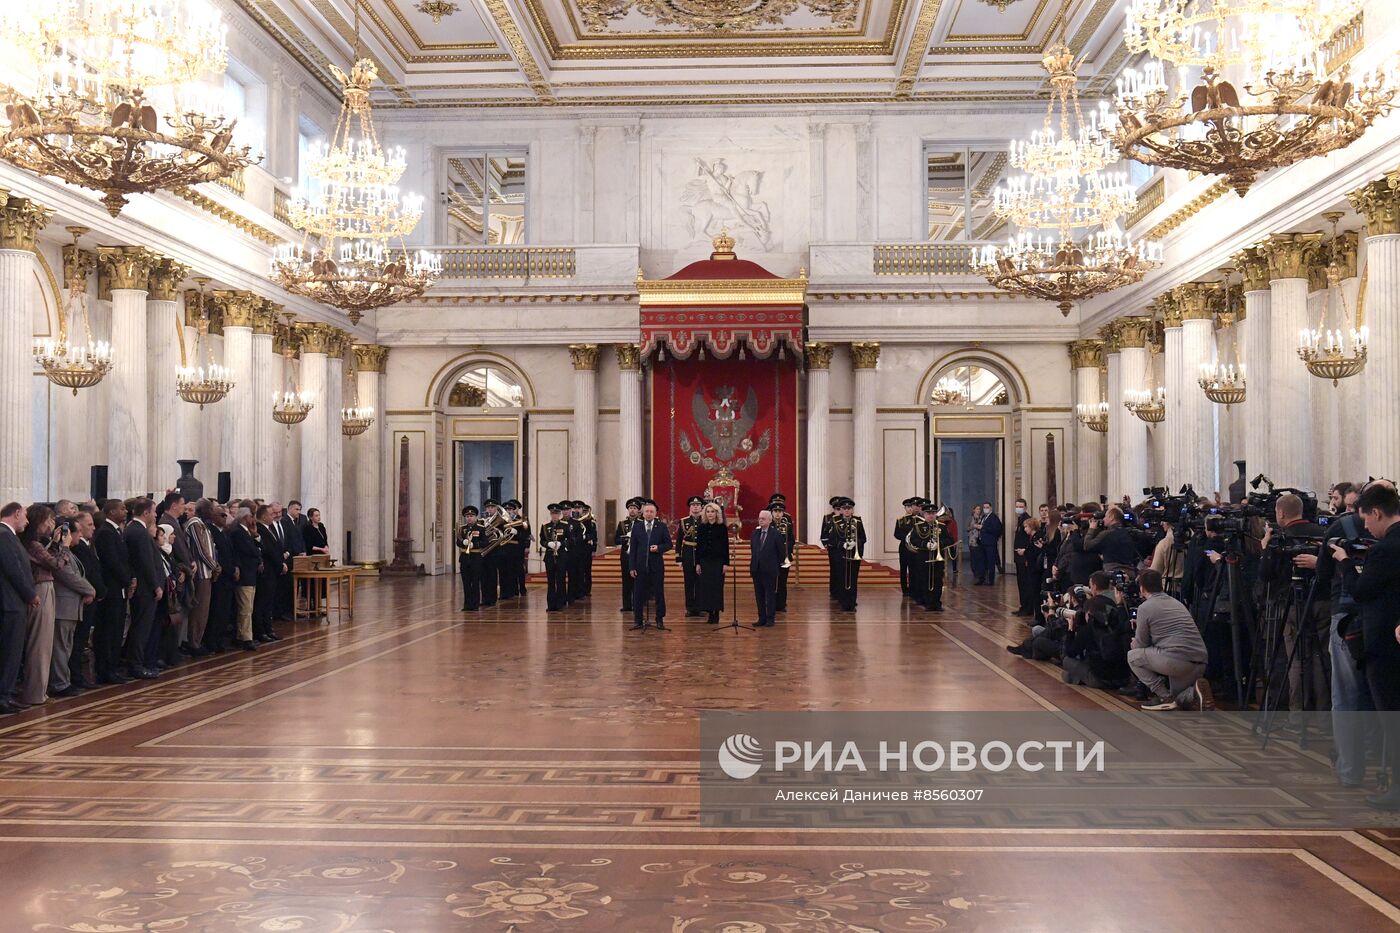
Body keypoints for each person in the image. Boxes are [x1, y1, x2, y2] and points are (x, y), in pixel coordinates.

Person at [1331, 482, 1400, 809]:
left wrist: (1345, 562)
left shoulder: (1386, 549)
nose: (1367, 528)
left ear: (1376, 512)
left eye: (1367, 520)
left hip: (1384, 644)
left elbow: (1361, 591)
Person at [1311, 483, 1372, 787]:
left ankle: (1350, 770)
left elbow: (1322, 575)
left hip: (1346, 615)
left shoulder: (1340, 528)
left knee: (1346, 697)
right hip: (1384, 620)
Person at [1128, 569, 1211, 711]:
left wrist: (1134, 641)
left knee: (1133, 656)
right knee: (1180, 699)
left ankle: (1164, 696)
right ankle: (1194, 691)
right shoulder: (1177, 603)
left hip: (1176, 661)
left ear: (1141, 588)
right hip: (1200, 660)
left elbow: (1141, 644)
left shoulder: (1145, 607)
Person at [1061, 571, 1132, 690]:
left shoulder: (1089, 628)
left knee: (1068, 663)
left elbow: (1070, 652)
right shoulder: (1117, 623)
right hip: (1124, 677)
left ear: (1089, 613)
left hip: (1101, 679)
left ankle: (1076, 677)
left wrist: (1070, 629)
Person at [19, 505, 61, 706]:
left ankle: (39, 691)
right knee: (40, 643)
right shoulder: (33, 545)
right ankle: (35, 693)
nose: (51, 524)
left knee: (44, 643)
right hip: (40, 589)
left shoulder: (35, 544)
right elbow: (56, 564)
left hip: (45, 588)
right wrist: (64, 546)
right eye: (49, 520)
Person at [49, 515, 95, 698]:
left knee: (66, 646)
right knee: (60, 647)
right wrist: (90, 590)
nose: (79, 535)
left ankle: (64, 680)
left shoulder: (69, 552)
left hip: (72, 606)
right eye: (76, 533)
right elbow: (67, 574)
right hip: (63, 606)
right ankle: (60, 683)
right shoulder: (58, 551)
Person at [0, 503, 36, 714]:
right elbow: (14, 570)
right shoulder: (4, 536)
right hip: (10, 604)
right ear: (15, 514)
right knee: (10, 651)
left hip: (13, 603)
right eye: (25, 516)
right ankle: (3, 694)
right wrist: (30, 594)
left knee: (13, 651)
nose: (27, 521)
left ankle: (7, 692)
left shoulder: (8, 536)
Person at [91, 499, 132, 684]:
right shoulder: (106, 533)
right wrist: (127, 579)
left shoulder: (116, 531)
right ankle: (105, 670)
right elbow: (112, 562)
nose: (125, 511)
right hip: (112, 589)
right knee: (108, 631)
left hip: (120, 588)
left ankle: (113, 667)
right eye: (122, 509)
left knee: (116, 631)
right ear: (111, 512)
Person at [122, 499, 163, 680]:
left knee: (141, 627)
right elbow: (146, 563)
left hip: (144, 588)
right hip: (145, 589)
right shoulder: (138, 532)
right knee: (141, 628)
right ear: (145, 513)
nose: (155, 516)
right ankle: (136, 665)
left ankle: (136, 662)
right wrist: (156, 585)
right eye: (153, 512)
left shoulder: (134, 529)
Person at [67, 510, 104, 691]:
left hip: (92, 598)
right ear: (78, 527)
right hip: (84, 600)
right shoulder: (78, 548)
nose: (93, 527)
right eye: (89, 525)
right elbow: (86, 574)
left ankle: (78, 676)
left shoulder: (87, 545)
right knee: (77, 641)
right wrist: (95, 590)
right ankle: (74, 677)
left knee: (81, 641)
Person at [628, 499, 671, 631]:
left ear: (655, 513)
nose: (649, 514)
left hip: (656, 566)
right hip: (640, 567)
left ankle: (659, 619)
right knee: (638, 594)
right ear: (643, 513)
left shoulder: (661, 527)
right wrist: (632, 567)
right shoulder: (637, 527)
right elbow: (633, 549)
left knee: (658, 594)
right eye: (647, 511)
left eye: (651, 511)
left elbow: (669, 544)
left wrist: (658, 548)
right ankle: (638, 620)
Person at [228, 505, 261, 651]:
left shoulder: (247, 532)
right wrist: (257, 551)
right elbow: (251, 550)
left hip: (250, 574)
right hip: (245, 575)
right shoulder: (238, 532)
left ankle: (246, 635)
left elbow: (258, 547)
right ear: (245, 517)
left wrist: (255, 536)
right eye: (251, 516)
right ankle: (245, 637)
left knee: (248, 608)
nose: (253, 519)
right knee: (245, 608)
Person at [750, 509, 785, 627]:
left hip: (770, 570)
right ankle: (761, 618)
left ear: (770, 520)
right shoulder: (755, 534)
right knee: (759, 595)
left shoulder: (776, 534)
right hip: (757, 569)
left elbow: (781, 552)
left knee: (770, 595)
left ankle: (770, 618)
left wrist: (777, 565)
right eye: (759, 518)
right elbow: (753, 551)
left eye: (763, 519)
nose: (760, 520)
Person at [695, 502, 729, 624]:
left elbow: (726, 546)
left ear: (717, 513)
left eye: (712, 512)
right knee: (706, 587)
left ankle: (716, 613)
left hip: (718, 562)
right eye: (708, 512)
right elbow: (698, 547)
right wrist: (698, 563)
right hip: (705, 561)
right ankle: (710, 613)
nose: (710, 514)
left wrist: (726, 563)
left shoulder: (722, 527)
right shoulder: (702, 527)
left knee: (717, 587)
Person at [1084, 507, 1140, 577]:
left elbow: (1087, 546)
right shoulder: (1130, 533)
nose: (1103, 519)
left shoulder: (1106, 534)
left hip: (1112, 572)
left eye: (1105, 516)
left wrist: (1091, 529)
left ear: (1112, 517)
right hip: (1130, 572)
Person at [253, 505, 282, 642]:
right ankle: (261, 631)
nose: (274, 516)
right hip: (266, 572)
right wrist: (280, 563)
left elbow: (276, 548)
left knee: (268, 603)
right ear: (264, 516)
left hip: (273, 572)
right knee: (262, 603)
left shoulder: (269, 529)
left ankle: (269, 629)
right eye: (271, 514)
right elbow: (268, 550)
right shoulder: (259, 529)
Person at [539, 503, 570, 612]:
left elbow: (570, 540)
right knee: (551, 581)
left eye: (556, 513)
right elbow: (542, 540)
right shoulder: (545, 526)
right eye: (553, 513)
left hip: (561, 556)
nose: (554, 516)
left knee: (561, 580)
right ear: (550, 514)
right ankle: (551, 604)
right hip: (550, 556)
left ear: (560, 514)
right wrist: (548, 544)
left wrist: (562, 543)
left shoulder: (565, 526)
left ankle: (560, 603)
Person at [678, 496, 703, 617]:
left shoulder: (706, 520)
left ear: (701, 507)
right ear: (690, 507)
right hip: (688, 553)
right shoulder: (684, 521)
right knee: (688, 582)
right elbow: (678, 541)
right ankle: (689, 608)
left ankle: (699, 607)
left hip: (702, 554)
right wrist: (678, 557)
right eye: (693, 505)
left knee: (700, 582)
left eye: (698, 505)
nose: (695, 507)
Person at [615, 497, 641, 613]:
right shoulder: (622, 524)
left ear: (638, 511)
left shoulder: (642, 524)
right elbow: (615, 540)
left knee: (638, 580)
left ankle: (637, 603)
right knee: (626, 580)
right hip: (626, 554)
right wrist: (624, 540)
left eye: (635, 508)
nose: (632, 510)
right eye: (631, 508)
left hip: (638, 555)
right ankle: (627, 605)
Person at [457, 506, 485, 612]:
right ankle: (467, 604)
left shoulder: (481, 528)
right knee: (466, 583)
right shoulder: (462, 528)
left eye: (471, 516)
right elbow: (458, 540)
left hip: (476, 558)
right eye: (467, 516)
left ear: (475, 517)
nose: (469, 518)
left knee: (475, 582)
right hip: (465, 558)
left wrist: (475, 544)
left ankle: (475, 604)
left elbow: (485, 542)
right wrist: (462, 542)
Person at [1013, 516, 1042, 617]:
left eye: (1026, 527)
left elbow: (1034, 551)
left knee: (1032, 589)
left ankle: (1033, 611)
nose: (1025, 529)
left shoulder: (1037, 537)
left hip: (1035, 567)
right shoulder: (1031, 537)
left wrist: (1024, 552)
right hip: (1030, 565)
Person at [770, 499, 794, 612]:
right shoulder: (768, 525)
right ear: (771, 512)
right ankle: (771, 603)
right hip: (771, 558)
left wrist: (787, 552)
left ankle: (781, 604)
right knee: (772, 581)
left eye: (780, 511)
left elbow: (791, 540)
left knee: (782, 582)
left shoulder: (787, 525)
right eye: (775, 511)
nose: (778, 513)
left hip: (784, 557)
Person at [894, 497, 920, 596]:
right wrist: (907, 537)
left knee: (914, 568)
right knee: (903, 569)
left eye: (911, 506)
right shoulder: (901, 520)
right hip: (904, 547)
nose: (909, 509)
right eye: (907, 507)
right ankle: (905, 590)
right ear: (905, 508)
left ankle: (913, 589)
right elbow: (896, 534)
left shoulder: (918, 519)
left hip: (915, 547)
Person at [978, 502, 1003, 585]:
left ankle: (991, 580)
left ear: (991, 508)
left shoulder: (994, 518)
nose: (985, 509)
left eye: (987, 507)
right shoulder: (983, 517)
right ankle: (982, 579)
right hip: (982, 543)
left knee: (990, 561)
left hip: (990, 543)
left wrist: (983, 528)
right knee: (982, 562)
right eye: (984, 507)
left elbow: (997, 529)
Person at [968, 504, 985, 584]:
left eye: (979, 509)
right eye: (977, 509)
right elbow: (967, 528)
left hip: (981, 540)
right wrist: (973, 526)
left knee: (980, 557)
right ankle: (975, 572)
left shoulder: (983, 518)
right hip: (972, 540)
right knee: (973, 557)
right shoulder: (970, 518)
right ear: (974, 510)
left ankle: (980, 572)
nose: (978, 510)